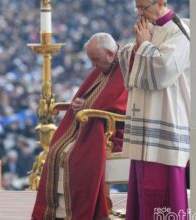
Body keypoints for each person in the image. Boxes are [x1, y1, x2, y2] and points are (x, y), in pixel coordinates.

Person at [32, 33, 128, 220]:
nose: (93, 65)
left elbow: (122, 105)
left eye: (95, 60)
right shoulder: (104, 65)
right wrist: (79, 105)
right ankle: (56, 212)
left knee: (76, 155)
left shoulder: (125, 65)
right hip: (89, 123)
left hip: (113, 131)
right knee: (56, 150)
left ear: (110, 54)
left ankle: (77, 212)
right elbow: (90, 97)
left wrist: (88, 107)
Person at [118, 0, 190, 219]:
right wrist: (136, 49)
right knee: (142, 183)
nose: (140, 13)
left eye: (144, 8)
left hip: (167, 117)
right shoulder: (148, 28)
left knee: (164, 188)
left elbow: (164, 70)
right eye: (137, 8)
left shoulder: (180, 31)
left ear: (160, 2)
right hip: (145, 119)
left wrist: (145, 47)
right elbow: (131, 59)